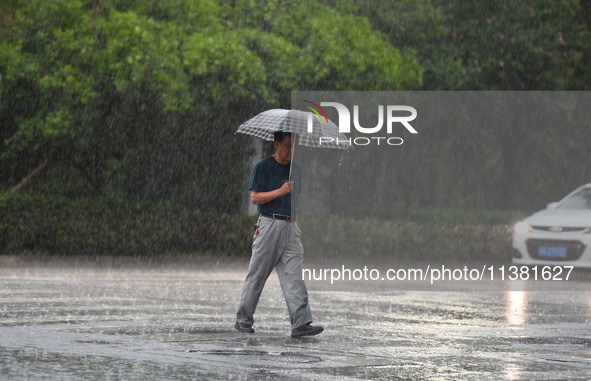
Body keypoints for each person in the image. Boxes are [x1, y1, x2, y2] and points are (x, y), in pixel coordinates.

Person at [235, 131, 324, 338]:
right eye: (287, 145)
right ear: (276, 144)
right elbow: (255, 198)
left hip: (291, 226)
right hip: (269, 224)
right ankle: (243, 320)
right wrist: (280, 191)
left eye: (295, 146)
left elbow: (297, 197)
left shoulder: (297, 169)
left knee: (295, 276)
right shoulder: (263, 167)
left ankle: (300, 323)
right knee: (257, 276)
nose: (291, 150)